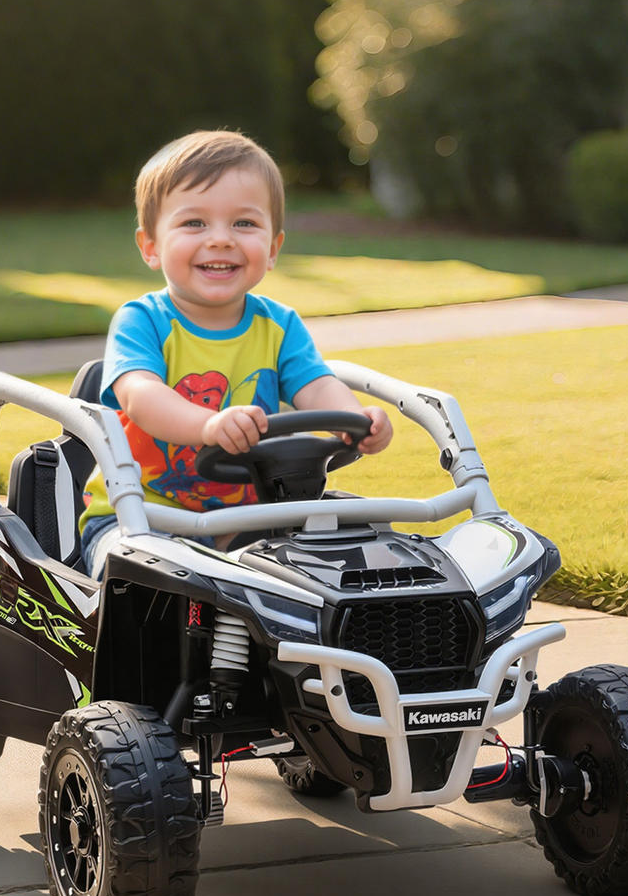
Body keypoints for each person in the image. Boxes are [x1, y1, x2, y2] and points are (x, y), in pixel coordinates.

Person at [79, 129, 393, 578]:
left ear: (272, 249)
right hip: (141, 518)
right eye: (194, 223)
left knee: (340, 556)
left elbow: (315, 384)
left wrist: (354, 419)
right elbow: (140, 397)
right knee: (153, 576)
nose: (221, 239)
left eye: (244, 224)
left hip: (248, 518)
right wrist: (208, 425)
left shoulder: (279, 325)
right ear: (151, 246)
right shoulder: (142, 321)